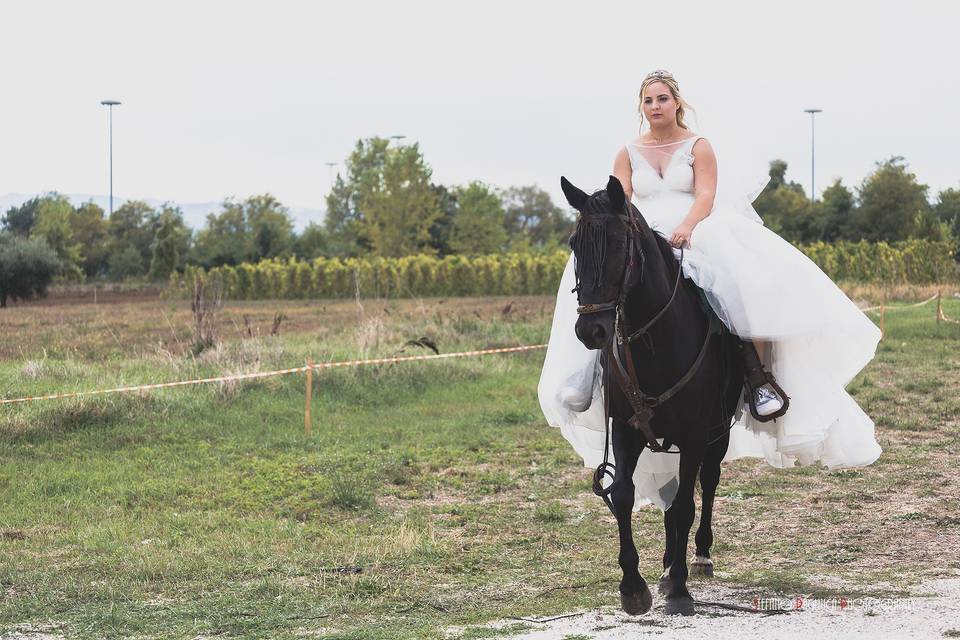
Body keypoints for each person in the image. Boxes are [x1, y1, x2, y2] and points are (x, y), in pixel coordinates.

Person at [538, 69, 882, 511]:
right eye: (648, 101)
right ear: (641, 107)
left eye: (662, 98)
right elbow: (620, 200)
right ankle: (585, 375)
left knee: (743, 282)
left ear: (676, 102)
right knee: (593, 281)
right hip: (642, 233)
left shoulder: (698, 147)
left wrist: (686, 227)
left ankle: (757, 374)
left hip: (694, 227)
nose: (655, 106)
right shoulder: (627, 152)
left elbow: (705, 195)